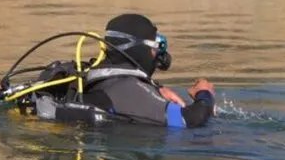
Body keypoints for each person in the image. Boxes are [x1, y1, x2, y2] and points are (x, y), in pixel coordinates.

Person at [80, 13, 215, 128]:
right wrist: (204, 94)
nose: (158, 54)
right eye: (154, 46)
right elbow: (191, 119)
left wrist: (154, 88)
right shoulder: (129, 89)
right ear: (139, 50)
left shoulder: (94, 76)